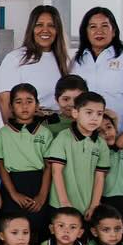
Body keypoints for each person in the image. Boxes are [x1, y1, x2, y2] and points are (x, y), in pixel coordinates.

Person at [0, 84, 54, 244]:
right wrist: (13, 193)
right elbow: (1, 165)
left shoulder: (45, 133)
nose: (24, 106)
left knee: (38, 231)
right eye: (18, 102)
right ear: (11, 107)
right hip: (13, 184)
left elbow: (49, 167)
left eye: (29, 101)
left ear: (37, 105)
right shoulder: (4, 133)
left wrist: (42, 196)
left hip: (39, 184)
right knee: (10, 231)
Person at [44, 91, 111, 220]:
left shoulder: (101, 144)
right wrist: (64, 203)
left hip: (87, 209)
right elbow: (56, 172)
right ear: (75, 113)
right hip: (61, 206)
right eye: (89, 112)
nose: (94, 118)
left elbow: (100, 177)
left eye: (99, 114)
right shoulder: (63, 137)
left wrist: (94, 205)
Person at [71, 6, 123, 122]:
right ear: (86, 32)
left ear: (114, 31)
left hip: (117, 129)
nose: (99, 31)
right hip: (84, 129)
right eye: (93, 27)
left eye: (104, 26)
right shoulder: (77, 61)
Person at [0, 6, 69, 119]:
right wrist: (15, 133)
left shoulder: (65, 60)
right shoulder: (15, 59)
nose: (45, 30)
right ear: (31, 28)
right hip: (30, 129)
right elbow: (4, 101)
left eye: (51, 26)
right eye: (39, 25)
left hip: (61, 128)